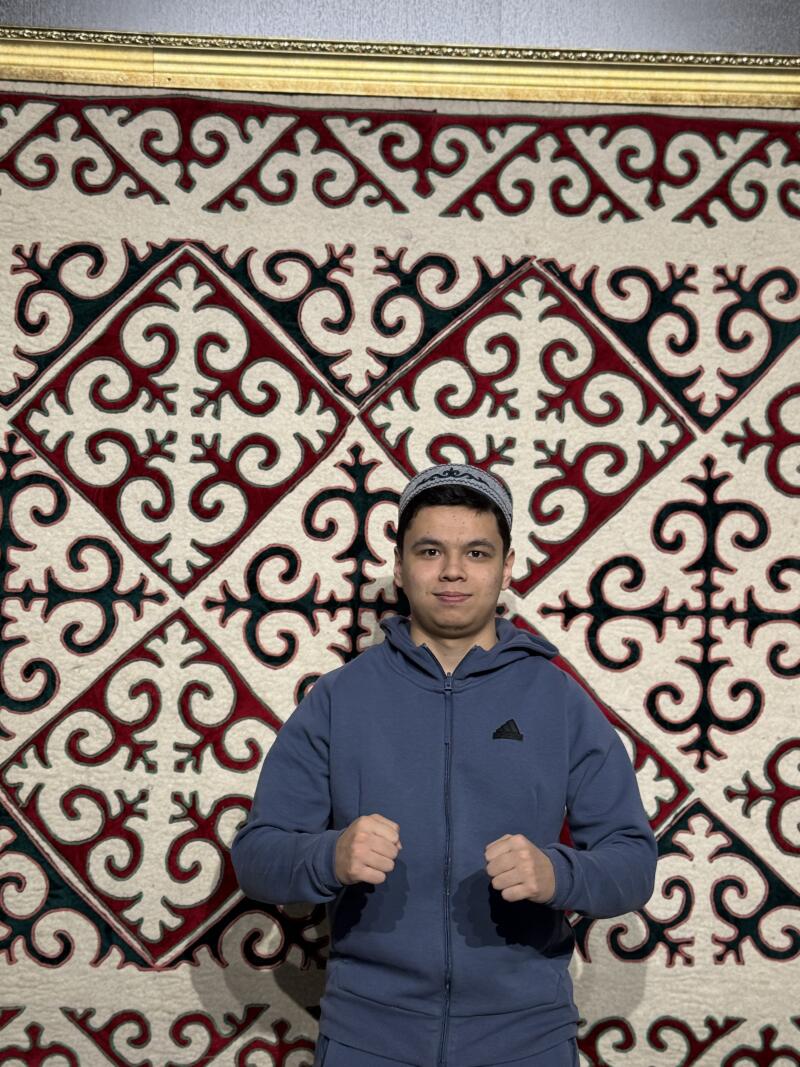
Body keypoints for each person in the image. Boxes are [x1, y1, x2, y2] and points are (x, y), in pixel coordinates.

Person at [232, 463, 658, 1067]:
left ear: (507, 567)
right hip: (366, 1038)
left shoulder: (560, 700)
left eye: (477, 552)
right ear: (400, 565)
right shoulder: (337, 699)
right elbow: (257, 857)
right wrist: (329, 856)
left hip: (527, 1040)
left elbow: (633, 862)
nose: (453, 570)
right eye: (430, 550)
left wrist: (557, 873)